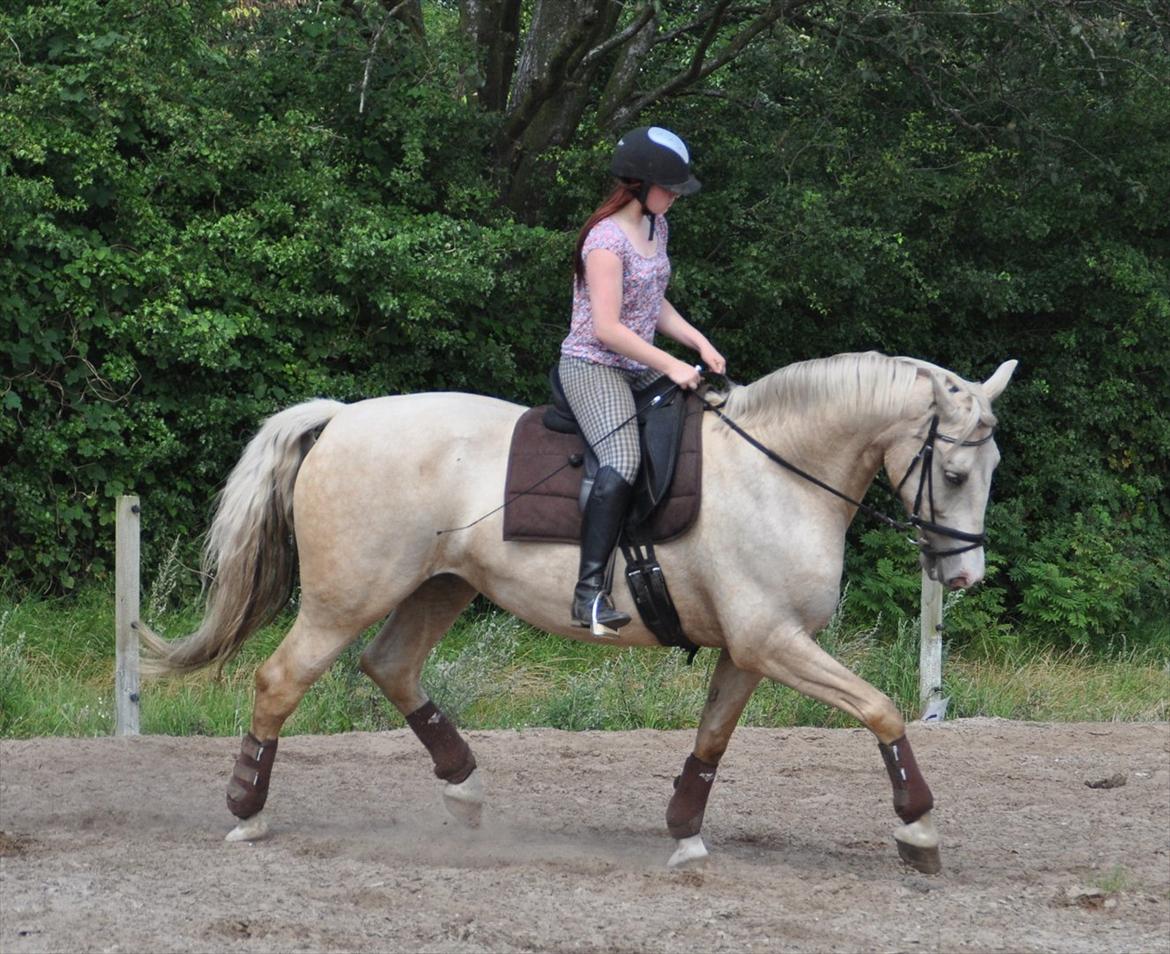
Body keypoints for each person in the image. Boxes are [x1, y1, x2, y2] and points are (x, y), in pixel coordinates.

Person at [559, 125, 727, 635]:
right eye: (669, 187)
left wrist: (697, 342)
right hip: (594, 363)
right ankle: (588, 593)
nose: (675, 196)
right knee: (623, 458)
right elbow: (609, 328)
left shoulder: (657, 227)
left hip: (637, 361)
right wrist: (672, 364)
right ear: (638, 183)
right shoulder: (605, 241)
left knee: (710, 414)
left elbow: (652, 303)